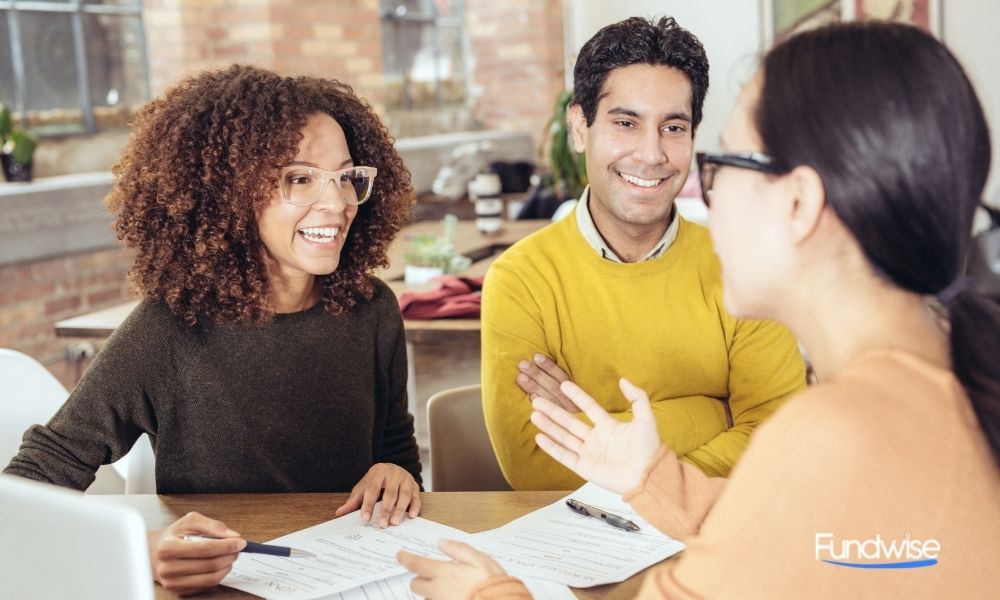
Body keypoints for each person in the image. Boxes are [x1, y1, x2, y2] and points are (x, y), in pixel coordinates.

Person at [400, 21, 1000, 598]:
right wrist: (651, 474)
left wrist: (490, 593)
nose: (679, 174)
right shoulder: (933, 385)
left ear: (799, 202)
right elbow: (792, 537)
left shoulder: (829, 437)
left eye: (725, 161)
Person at [4, 64, 423, 595]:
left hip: (356, 579)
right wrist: (143, 550)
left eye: (346, 176)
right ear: (228, 195)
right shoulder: (166, 331)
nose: (338, 202)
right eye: (298, 178)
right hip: (224, 586)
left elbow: (396, 448)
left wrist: (396, 473)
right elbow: (29, 486)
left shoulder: (372, 309)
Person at [482, 16, 806, 490]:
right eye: (626, 123)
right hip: (578, 549)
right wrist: (713, 413)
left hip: (717, 541)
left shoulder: (743, 264)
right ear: (579, 127)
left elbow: (777, 437)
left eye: (673, 127)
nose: (651, 154)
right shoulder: (522, 279)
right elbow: (536, 469)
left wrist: (602, 435)